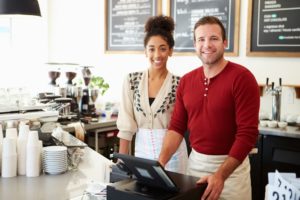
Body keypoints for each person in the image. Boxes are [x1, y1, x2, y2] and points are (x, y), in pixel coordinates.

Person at [158, 16, 260, 200]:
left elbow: (248, 134)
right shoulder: (186, 81)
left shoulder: (243, 78)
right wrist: (160, 163)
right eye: (201, 39)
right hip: (195, 166)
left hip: (232, 173)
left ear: (224, 42)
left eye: (214, 38)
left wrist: (220, 175)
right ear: (195, 44)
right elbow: (176, 127)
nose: (207, 44)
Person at [116, 15, 188, 174]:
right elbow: (126, 125)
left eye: (163, 48)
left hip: (173, 156)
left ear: (170, 51)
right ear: (145, 51)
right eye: (152, 48)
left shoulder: (180, 83)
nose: (157, 55)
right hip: (142, 152)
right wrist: (121, 161)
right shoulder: (131, 81)